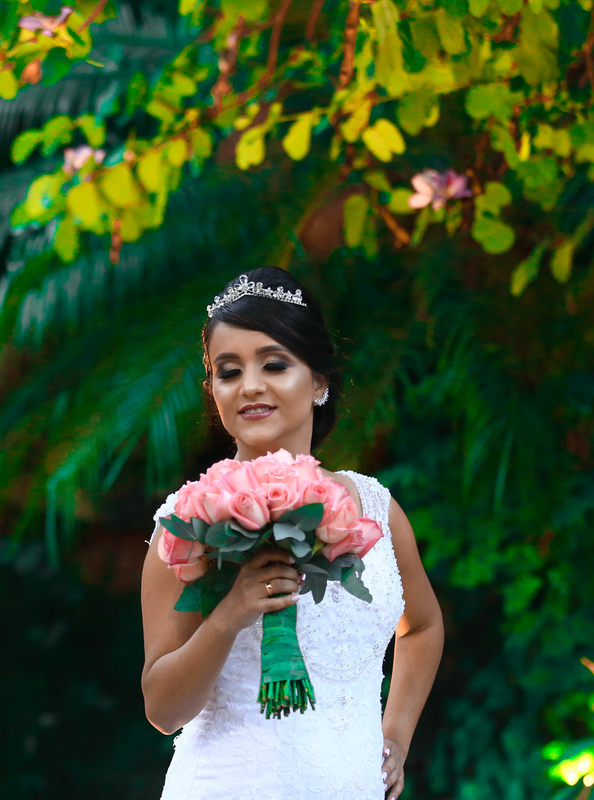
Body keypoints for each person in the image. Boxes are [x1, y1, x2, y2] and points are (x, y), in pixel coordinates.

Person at [141, 267, 444, 800]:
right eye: (229, 371)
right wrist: (228, 616)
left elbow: (421, 626)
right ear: (212, 390)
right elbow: (163, 711)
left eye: (274, 364)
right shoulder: (189, 522)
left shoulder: (373, 508)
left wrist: (395, 735)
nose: (250, 386)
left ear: (319, 382)